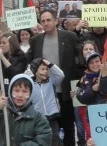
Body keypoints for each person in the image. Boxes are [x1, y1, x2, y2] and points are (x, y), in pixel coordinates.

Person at [27, 9, 81, 146]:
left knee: (68, 126)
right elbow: (27, 60)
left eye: (48, 20)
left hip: (65, 90)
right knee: (49, 130)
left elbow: (80, 59)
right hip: (45, 93)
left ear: (56, 21)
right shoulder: (36, 40)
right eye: (43, 21)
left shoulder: (70, 37)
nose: (46, 23)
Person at [0, 74, 52, 145]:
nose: (20, 95)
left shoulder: (38, 118)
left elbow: (43, 141)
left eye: (25, 91)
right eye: (16, 90)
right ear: (10, 91)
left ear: (31, 94)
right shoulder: (1, 111)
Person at [30, 58, 65, 146]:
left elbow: (61, 75)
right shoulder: (30, 84)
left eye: (47, 69)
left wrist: (49, 64)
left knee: (55, 138)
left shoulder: (51, 81)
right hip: (38, 119)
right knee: (41, 140)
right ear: (35, 71)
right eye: (42, 69)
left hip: (52, 116)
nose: (45, 71)